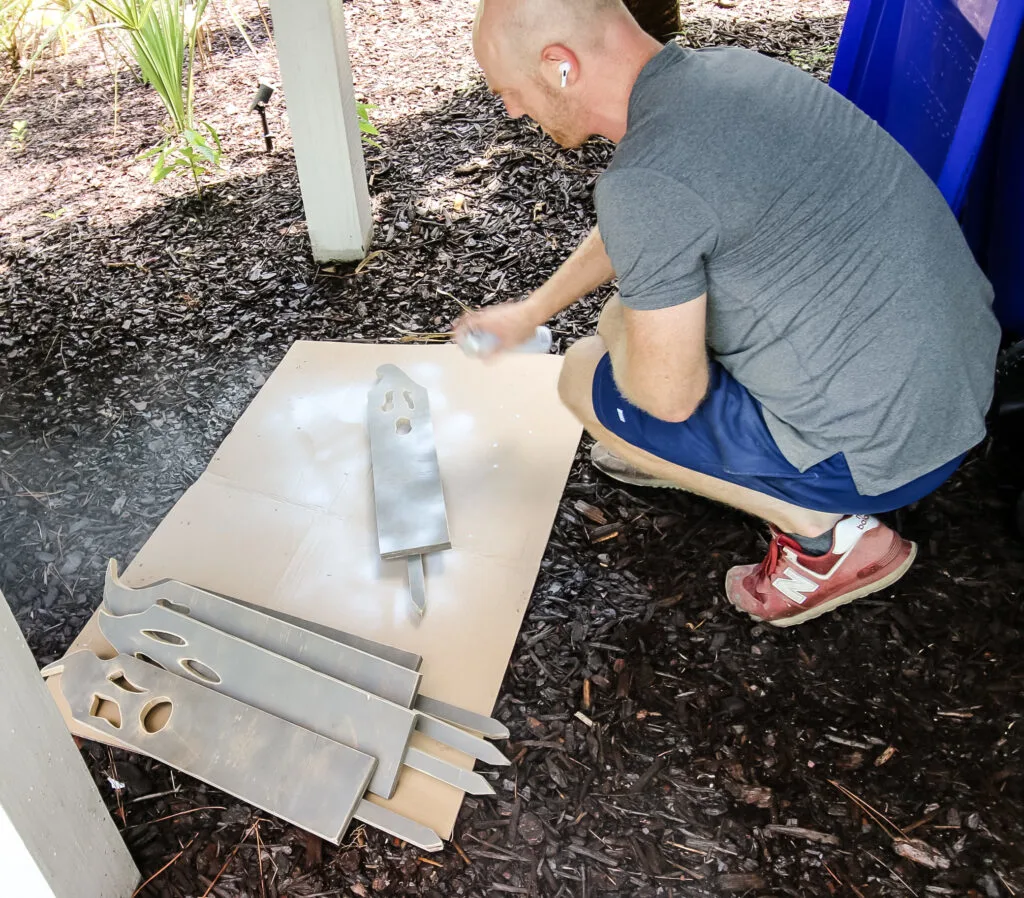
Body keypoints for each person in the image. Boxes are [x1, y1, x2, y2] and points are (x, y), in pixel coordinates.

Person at [456, 0, 1001, 626]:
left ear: (559, 65)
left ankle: (828, 540)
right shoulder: (729, 75)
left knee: (587, 375)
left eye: (510, 90)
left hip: (885, 455)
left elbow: (668, 397)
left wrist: (624, 349)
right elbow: (645, 229)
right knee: (627, 321)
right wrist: (532, 311)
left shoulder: (649, 181)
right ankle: (696, 454)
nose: (513, 110)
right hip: (953, 383)